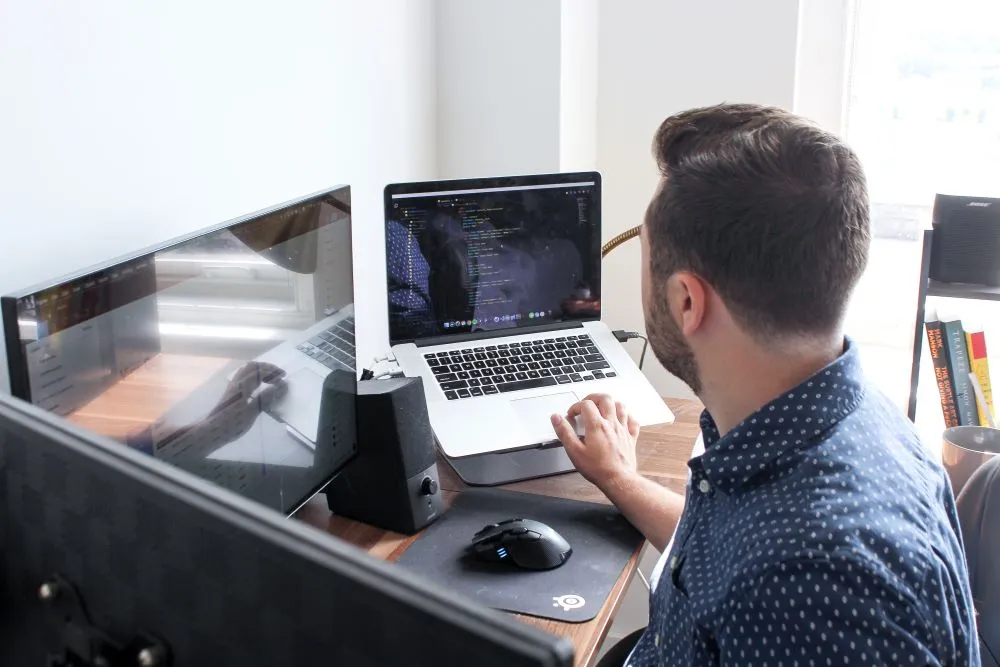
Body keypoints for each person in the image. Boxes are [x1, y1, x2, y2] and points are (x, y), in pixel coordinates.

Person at [549, 103, 979, 666]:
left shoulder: (815, 586)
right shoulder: (828, 415)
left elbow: (775, 568)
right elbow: (735, 554)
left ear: (686, 300)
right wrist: (621, 480)